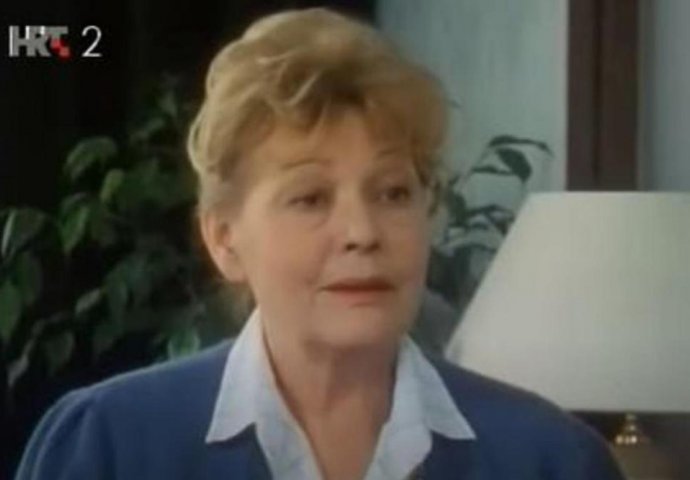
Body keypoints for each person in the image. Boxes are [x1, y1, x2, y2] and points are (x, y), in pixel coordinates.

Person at [14, 8, 625, 480]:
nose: (362, 233)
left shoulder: (552, 460)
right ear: (224, 238)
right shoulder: (107, 445)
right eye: (310, 198)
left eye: (392, 193)